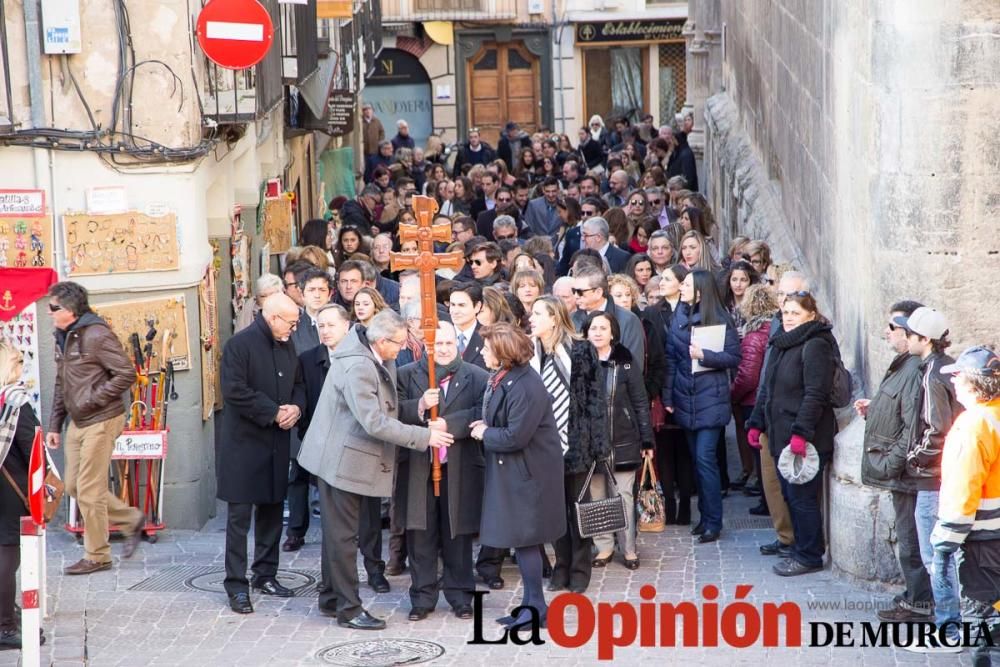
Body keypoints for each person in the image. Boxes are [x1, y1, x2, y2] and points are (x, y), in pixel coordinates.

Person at [297, 310, 454, 630]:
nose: (402, 348)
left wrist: (417, 407)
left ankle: (330, 597)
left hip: (348, 459)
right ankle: (349, 609)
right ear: (381, 341)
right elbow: (374, 422)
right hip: (341, 462)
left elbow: (387, 407)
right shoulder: (358, 366)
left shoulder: (373, 354)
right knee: (343, 538)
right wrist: (425, 437)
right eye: (398, 343)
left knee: (339, 535)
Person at [469, 323, 565, 628]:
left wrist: (485, 433)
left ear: (502, 354)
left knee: (526, 541)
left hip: (529, 474)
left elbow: (516, 436)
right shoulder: (508, 378)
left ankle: (536, 607)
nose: (482, 352)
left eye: (487, 348)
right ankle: (530, 605)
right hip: (517, 470)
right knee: (525, 541)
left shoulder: (525, 385)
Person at [45, 282, 144, 575]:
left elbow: (127, 373)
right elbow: (62, 383)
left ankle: (97, 554)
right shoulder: (62, 337)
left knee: (88, 489)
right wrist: (54, 424)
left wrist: (92, 398)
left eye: (54, 308)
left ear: (71, 310)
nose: (49, 313)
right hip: (79, 420)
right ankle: (129, 519)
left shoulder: (97, 335)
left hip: (102, 418)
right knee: (75, 486)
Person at [217, 293, 306, 613]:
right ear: (273, 318)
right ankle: (236, 585)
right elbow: (234, 390)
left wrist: (295, 407)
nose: (294, 330)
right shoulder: (239, 345)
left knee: (271, 513)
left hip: (275, 444)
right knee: (240, 519)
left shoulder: (286, 344)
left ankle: (265, 573)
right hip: (244, 445)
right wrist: (273, 412)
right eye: (292, 323)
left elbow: (297, 382)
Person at [396, 323, 489, 621]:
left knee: (457, 533)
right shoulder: (407, 373)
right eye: (438, 344)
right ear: (426, 345)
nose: (445, 349)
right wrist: (420, 406)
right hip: (419, 466)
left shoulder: (476, 376)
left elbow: (482, 410)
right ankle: (422, 595)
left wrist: (450, 424)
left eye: (450, 343)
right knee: (420, 533)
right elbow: (394, 411)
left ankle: (461, 595)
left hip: (458, 467)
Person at [747, 291, 836, 576]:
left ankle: (809, 555)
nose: (788, 318)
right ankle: (798, 548)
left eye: (795, 313)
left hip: (803, 439)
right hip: (779, 435)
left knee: (802, 499)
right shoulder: (781, 343)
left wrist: (801, 433)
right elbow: (768, 389)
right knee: (789, 496)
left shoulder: (816, 344)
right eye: (785, 313)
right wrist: (757, 422)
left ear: (810, 315)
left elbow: (815, 394)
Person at [858, 301, 933, 621]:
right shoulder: (903, 365)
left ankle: (920, 602)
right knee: (907, 537)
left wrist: (892, 463)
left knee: (911, 540)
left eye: (892, 328)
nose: (885, 333)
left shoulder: (915, 369)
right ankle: (915, 596)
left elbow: (913, 425)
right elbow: (898, 411)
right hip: (900, 470)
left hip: (907, 472)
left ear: (909, 332)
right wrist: (874, 408)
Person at [528, 297, 607, 594]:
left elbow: (595, 401)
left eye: (537, 313)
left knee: (578, 511)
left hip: (577, 445)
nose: (531, 318)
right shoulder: (531, 353)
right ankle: (560, 568)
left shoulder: (582, 350)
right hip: (542, 447)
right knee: (552, 511)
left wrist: (600, 449)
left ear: (554, 318)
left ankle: (579, 570)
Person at [893, 307, 962, 643]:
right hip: (944, 474)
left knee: (935, 555)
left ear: (925, 340)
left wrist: (914, 459)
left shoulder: (934, 373)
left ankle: (949, 623)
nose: (904, 339)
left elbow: (937, 428)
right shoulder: (943, 367)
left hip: (932, 477)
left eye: (910, 335)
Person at [931, 346, 1000, 662]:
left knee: (984, 615)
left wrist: (946, 537)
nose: (954, 382)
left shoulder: (974, 425)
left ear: (972, 383)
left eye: (958, 376)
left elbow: (964, 487)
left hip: (982, 538)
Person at [662, 270, 741, 544]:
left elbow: (733, 357)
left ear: (700, 291)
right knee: (696, 459)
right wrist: (668, 397)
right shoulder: (679, 317)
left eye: (686, 284)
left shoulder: (719, 319)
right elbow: (672, 359)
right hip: (685, 397)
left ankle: (713, 522)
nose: (681, 287)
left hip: (711, 400)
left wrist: (704, 356)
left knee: (706, 459)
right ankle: (704, 517)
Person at [583, 312, 654, 571]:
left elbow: (639, 401)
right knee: (598, 497)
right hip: (591, 443)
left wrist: (647, 439)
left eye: (603, 328)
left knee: (623, 495)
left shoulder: (625, 361)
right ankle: (603, 547)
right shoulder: (581, 361)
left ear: (612, 332)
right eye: (593, 328)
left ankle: (629, 549)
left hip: (623, 440)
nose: (598, 332)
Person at [284, 305, 353, 553]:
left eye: (331, 325)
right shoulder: (308, 359)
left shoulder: (360, 357)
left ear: (346, 326)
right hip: (314, 431)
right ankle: (295, 531)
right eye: (321, 326)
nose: (325, 331)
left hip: (350, 436)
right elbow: (300, 393)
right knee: (299, 477)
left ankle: (362, 550)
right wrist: (300, 416)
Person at [0, 341, 43, 650]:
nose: (21, 371)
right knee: (7, 555)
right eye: (17, 364)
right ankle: (5, 627)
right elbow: (34, 452)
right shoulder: (16, 402)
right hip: (9, 488)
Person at [650, 264, 694, 524]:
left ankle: (686, 503)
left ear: (680, 283)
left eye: (667, 278)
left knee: (685, 451)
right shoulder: (652, 313)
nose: (661, 282)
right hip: (661, 389)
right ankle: (668, 502)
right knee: (665, 450)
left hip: (687, 388)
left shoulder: (691, 311)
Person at [730, 285, 780, 514]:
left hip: (753, 402)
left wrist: (733, 395)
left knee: (761, 457)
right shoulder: (775, 329)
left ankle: (766, 501)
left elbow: (748, 376)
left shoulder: (754, 336)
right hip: (769, 399)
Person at [570, 266, 645, 376]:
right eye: (574, 291)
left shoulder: (628, 320)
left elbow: (634, 367)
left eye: (580, 292)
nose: (576, 296)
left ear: (598, 292)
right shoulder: (571, 319)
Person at [524, 177, 563, 241]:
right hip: (537, 245)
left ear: (558, 190)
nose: (551, 195)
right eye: (548, 191)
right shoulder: (533, 205)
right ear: (543, 190)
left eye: (554, 191)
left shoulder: (564, 206)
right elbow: (528, 229)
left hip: (557, 246)